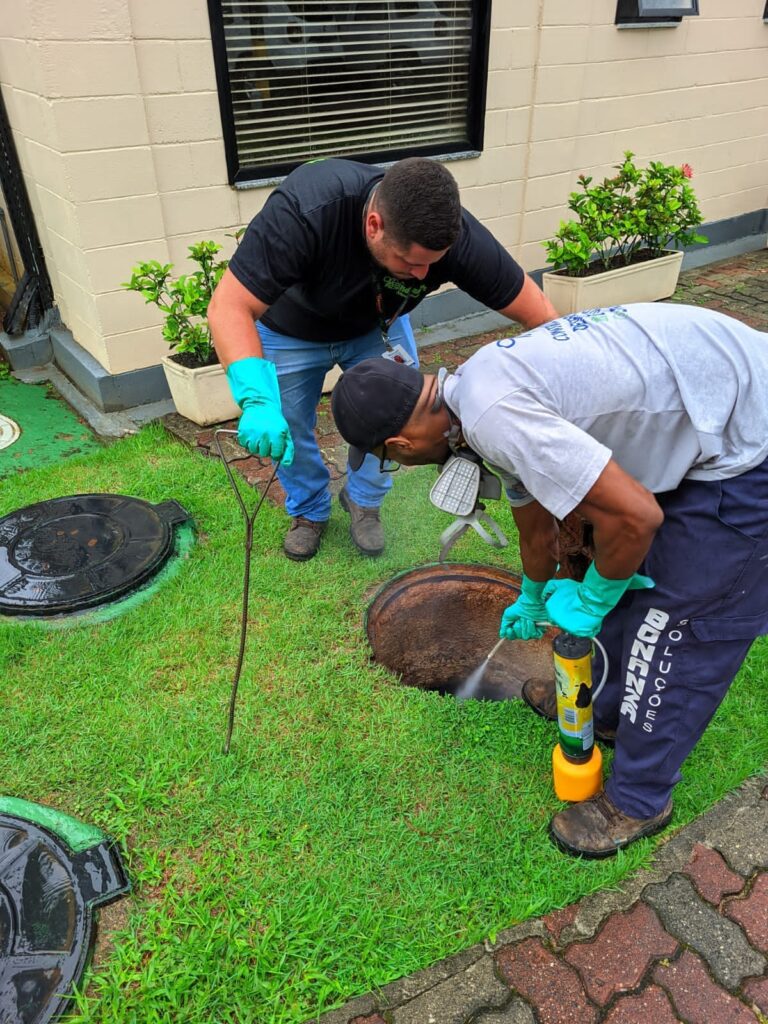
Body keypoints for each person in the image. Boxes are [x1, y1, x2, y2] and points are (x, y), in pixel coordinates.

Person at [329, 302, 768, 857]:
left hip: (751, 440)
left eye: (388, 461)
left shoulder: (493, 417)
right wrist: (533, 594)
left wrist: (594, 598)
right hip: (715, 406)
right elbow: (535, 526)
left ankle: (639, 798)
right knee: (633, 572)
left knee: (674, 625)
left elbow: (637, 517)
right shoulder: (473, 391)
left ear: (400, 446)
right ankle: (605, 711)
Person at [208, 156, 557, 562]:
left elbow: (542, 317)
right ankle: (309, 510)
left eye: (433, 263)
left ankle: (364, 501)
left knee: (396, 418)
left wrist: (563, 386)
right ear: (374, 225)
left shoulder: (454, 236)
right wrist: (256, 399)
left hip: (376, 329)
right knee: (290, 425)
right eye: (411, 263)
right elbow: (228, 307)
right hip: (289, 331)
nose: (424, 274)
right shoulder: (307, 209)